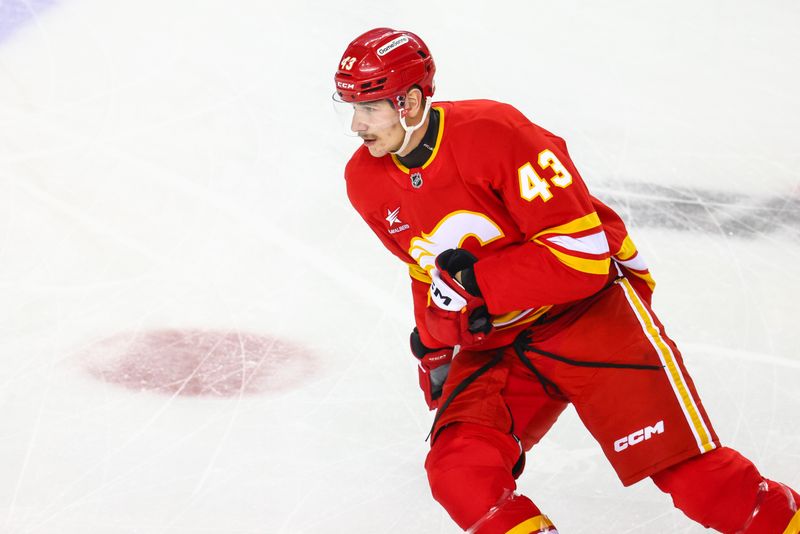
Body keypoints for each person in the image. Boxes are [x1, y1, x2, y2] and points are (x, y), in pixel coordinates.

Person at [333, 27, 800, 534]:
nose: (358, 124)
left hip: (592, 317)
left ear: (412, 101)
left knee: (707, 489)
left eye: (371, 107)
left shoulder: (496, 131)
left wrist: (481, 283)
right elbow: (425, 267)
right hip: (503, 341)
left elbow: (583, 258)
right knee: (460, 472)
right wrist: (436, 344)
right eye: (350, 107)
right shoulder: (365, 181)